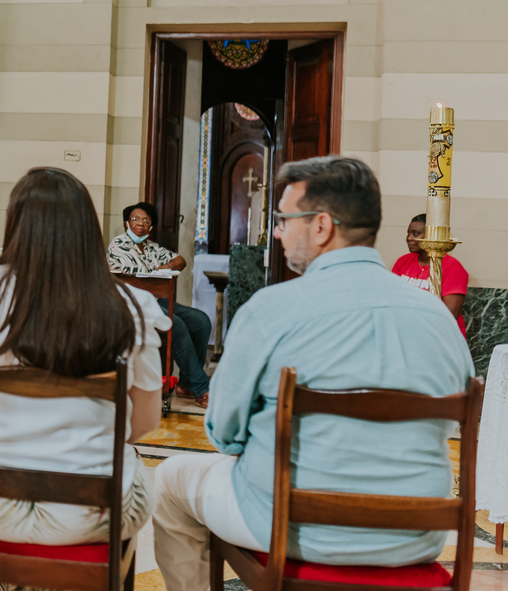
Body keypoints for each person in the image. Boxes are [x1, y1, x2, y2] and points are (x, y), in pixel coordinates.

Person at [153, 156, 475, 591]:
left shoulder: (271, 310)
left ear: (321, 226)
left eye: (285, 219)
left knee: (170, 479)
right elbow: (455, 416)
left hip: (298, 531)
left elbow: (224, 433)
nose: (279, 232)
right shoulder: (438, 317)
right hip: (415, 536)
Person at [0, 167, 169, 546]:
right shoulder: (130, 305)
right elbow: (144, 421)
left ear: (13, 223)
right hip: (89, 510)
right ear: (89, 230)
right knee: (133, 475)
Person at [108, 202, 213, 408]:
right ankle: (202, 388)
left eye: (146, 221)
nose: (141, 224)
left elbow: (180, 261)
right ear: (126, 223)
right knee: (176, 325)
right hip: (132, 303)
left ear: (151, 227)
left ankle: (185, 385)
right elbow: (138, 278)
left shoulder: (151, 247)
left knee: (201, 321)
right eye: (136, 219)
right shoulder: (118, 245)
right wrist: (157, 272)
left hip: (157, 299)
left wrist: (166, 265)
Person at [391, 213, 468, 335]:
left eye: (416, 234)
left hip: (440, 335)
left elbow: (450, 314)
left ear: (431, 236)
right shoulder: (403, 261)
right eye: (408, 233)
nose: (409, 238)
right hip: (406, 331)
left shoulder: (452, 267)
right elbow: (392, 297)